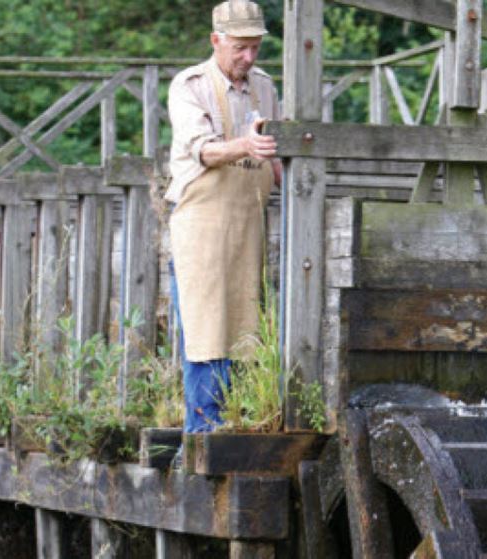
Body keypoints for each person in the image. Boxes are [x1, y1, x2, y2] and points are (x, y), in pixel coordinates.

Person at [166, 0, 281, 434]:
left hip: (250, 226)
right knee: (206, 331)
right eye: (240, 48)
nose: (248, 58)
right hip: (202, 228)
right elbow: (204, 150)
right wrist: (245, 146)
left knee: (249, 330)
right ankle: (201, 441)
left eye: (255, 48)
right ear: (216, 41)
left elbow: (277, 156)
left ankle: (241, 429)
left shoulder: (265, 88)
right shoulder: (189, 86)